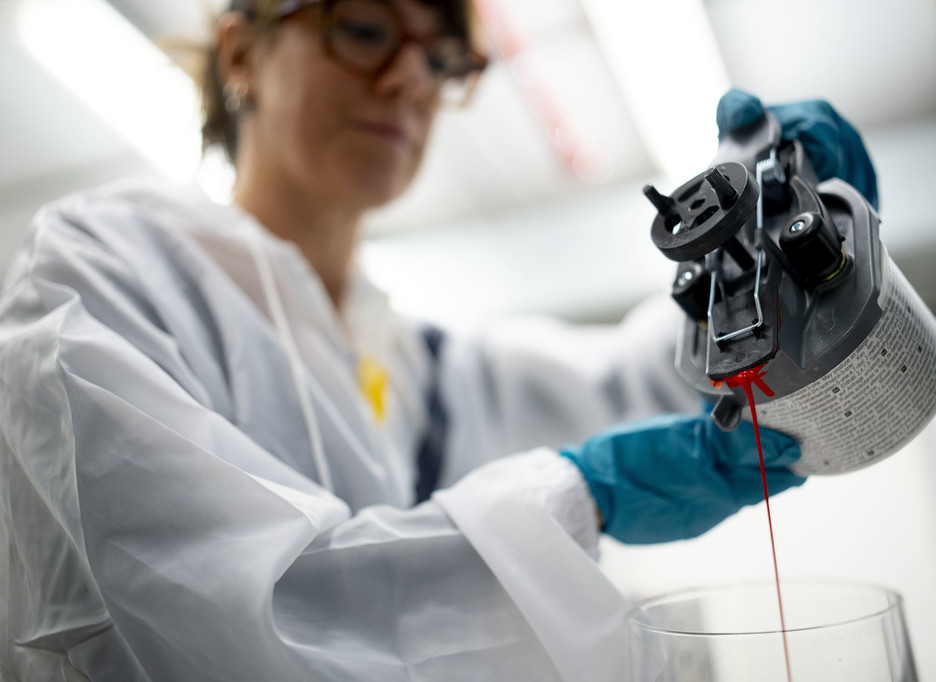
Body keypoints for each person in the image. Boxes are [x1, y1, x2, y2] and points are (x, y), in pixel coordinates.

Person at [0, 0, 877, 679]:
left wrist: (787, 249)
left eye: (441, 57)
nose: (409, 80)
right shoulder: (103, 271)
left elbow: (638, 383)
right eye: (365, 28)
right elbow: (205, 627)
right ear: (241, 53)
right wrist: (578, 493)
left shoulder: (421, 371)